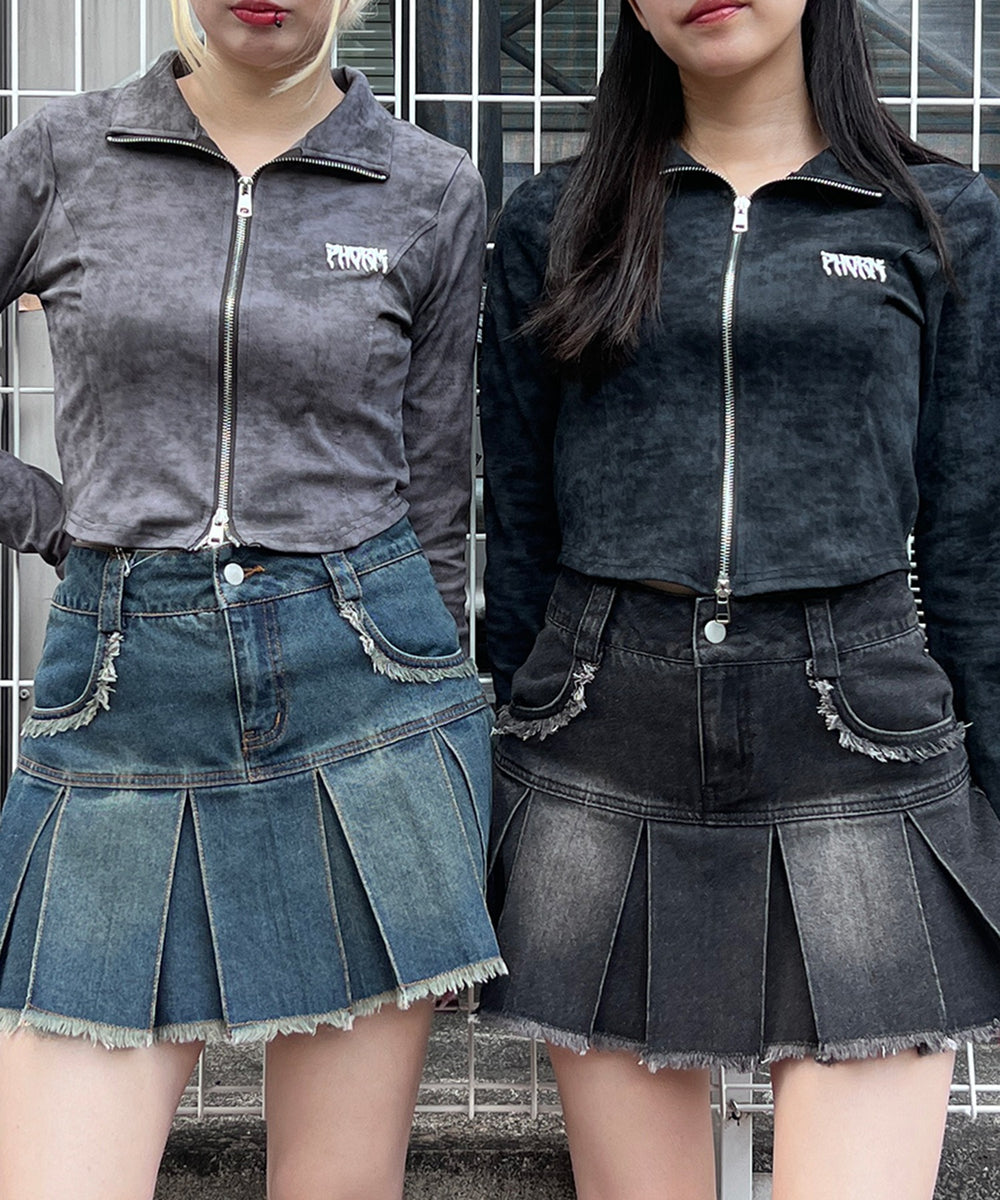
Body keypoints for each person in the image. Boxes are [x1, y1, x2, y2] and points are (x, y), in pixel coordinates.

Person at [478, 1, 1000, 1196]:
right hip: (600, 730)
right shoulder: (555, 219)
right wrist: (503, 736)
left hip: (858, 733)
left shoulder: (935, 216)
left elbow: (973, 532)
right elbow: (519, 522)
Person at [0, 2, 503, 1197]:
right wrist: (56, 519)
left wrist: (443, 711)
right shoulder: (61, 156)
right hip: (122, 700)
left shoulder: (428, 185)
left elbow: (436, 488)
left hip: (370, 698)